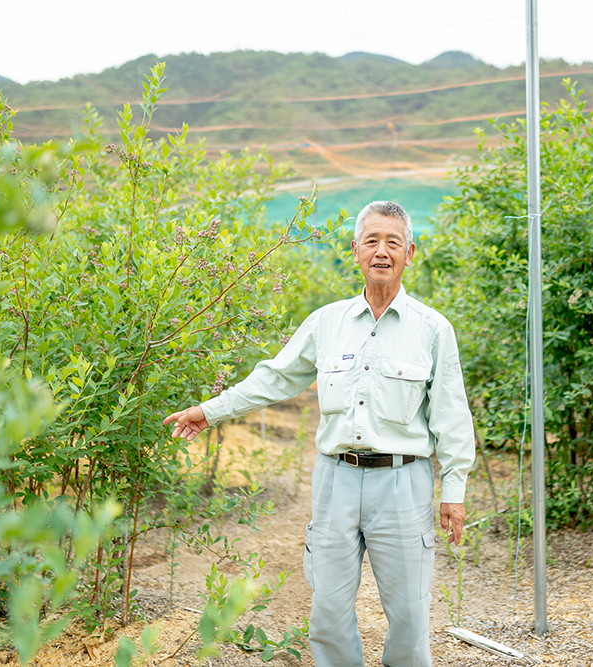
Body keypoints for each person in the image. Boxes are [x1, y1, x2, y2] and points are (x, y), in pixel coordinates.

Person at [164, 200, 475, 667]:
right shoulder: (326, 322)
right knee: (327, 611)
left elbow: (451, 414)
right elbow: (274, 377)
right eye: (371, 240)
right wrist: (210, 411)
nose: (382, 251)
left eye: (393, 242)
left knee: (410, 615)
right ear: (354, 251)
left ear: (411, 252)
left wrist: (454, 490)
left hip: (404, 482)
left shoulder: (433, 329)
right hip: (336, 480)